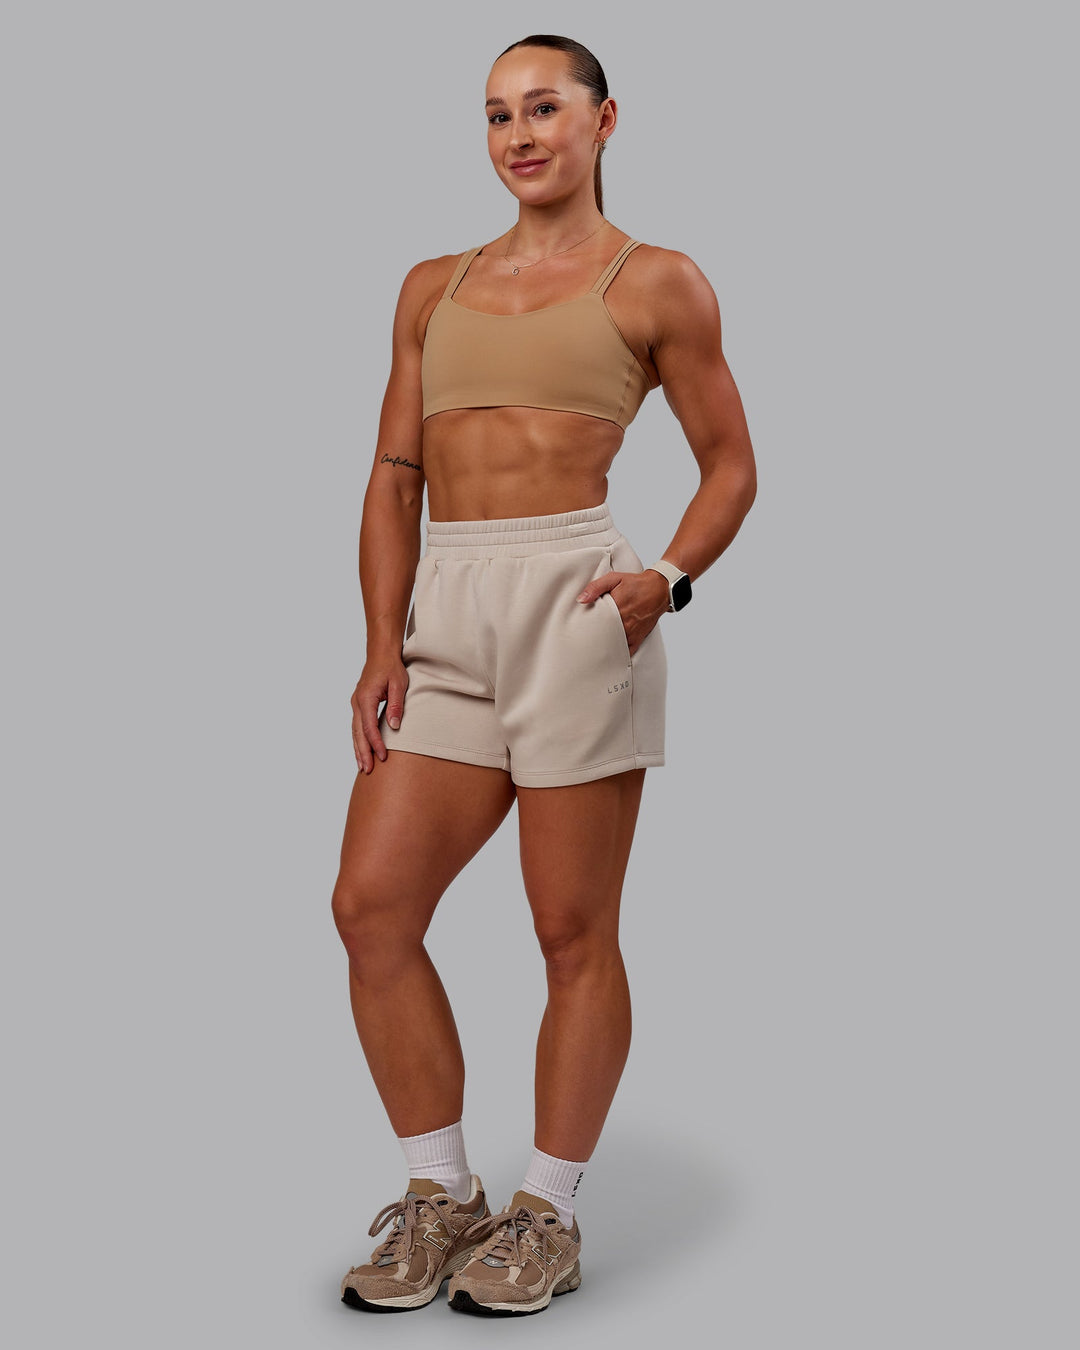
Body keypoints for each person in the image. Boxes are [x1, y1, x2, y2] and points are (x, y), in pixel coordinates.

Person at [331, 33, 756, 1317]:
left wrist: (665, 577)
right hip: (447, 612)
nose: (519, 135)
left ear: (604, 122)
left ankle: (549, 1213)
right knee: (371, 907)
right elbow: (394, 477)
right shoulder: (433, 286)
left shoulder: (656, 280)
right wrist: (380, 642)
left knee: (571, 932)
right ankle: (442, 1194)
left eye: (544, 109)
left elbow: (733, 465)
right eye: (497, 114)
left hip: (577, 603)